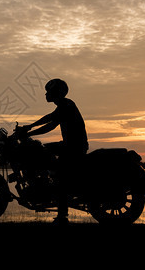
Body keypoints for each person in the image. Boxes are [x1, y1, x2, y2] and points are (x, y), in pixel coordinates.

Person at [18, 78, 88, 224]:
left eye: (49, 91)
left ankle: (62, 214)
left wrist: (29, 132)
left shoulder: (67, 105)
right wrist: (29, 127)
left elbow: (50, 125)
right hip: (69, 145)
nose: (46, 94)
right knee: (41, 150)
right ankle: (43, 182)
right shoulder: (62, 105)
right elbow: (50, 118)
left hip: (74, 147)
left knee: (61, 176)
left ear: (57, 92)